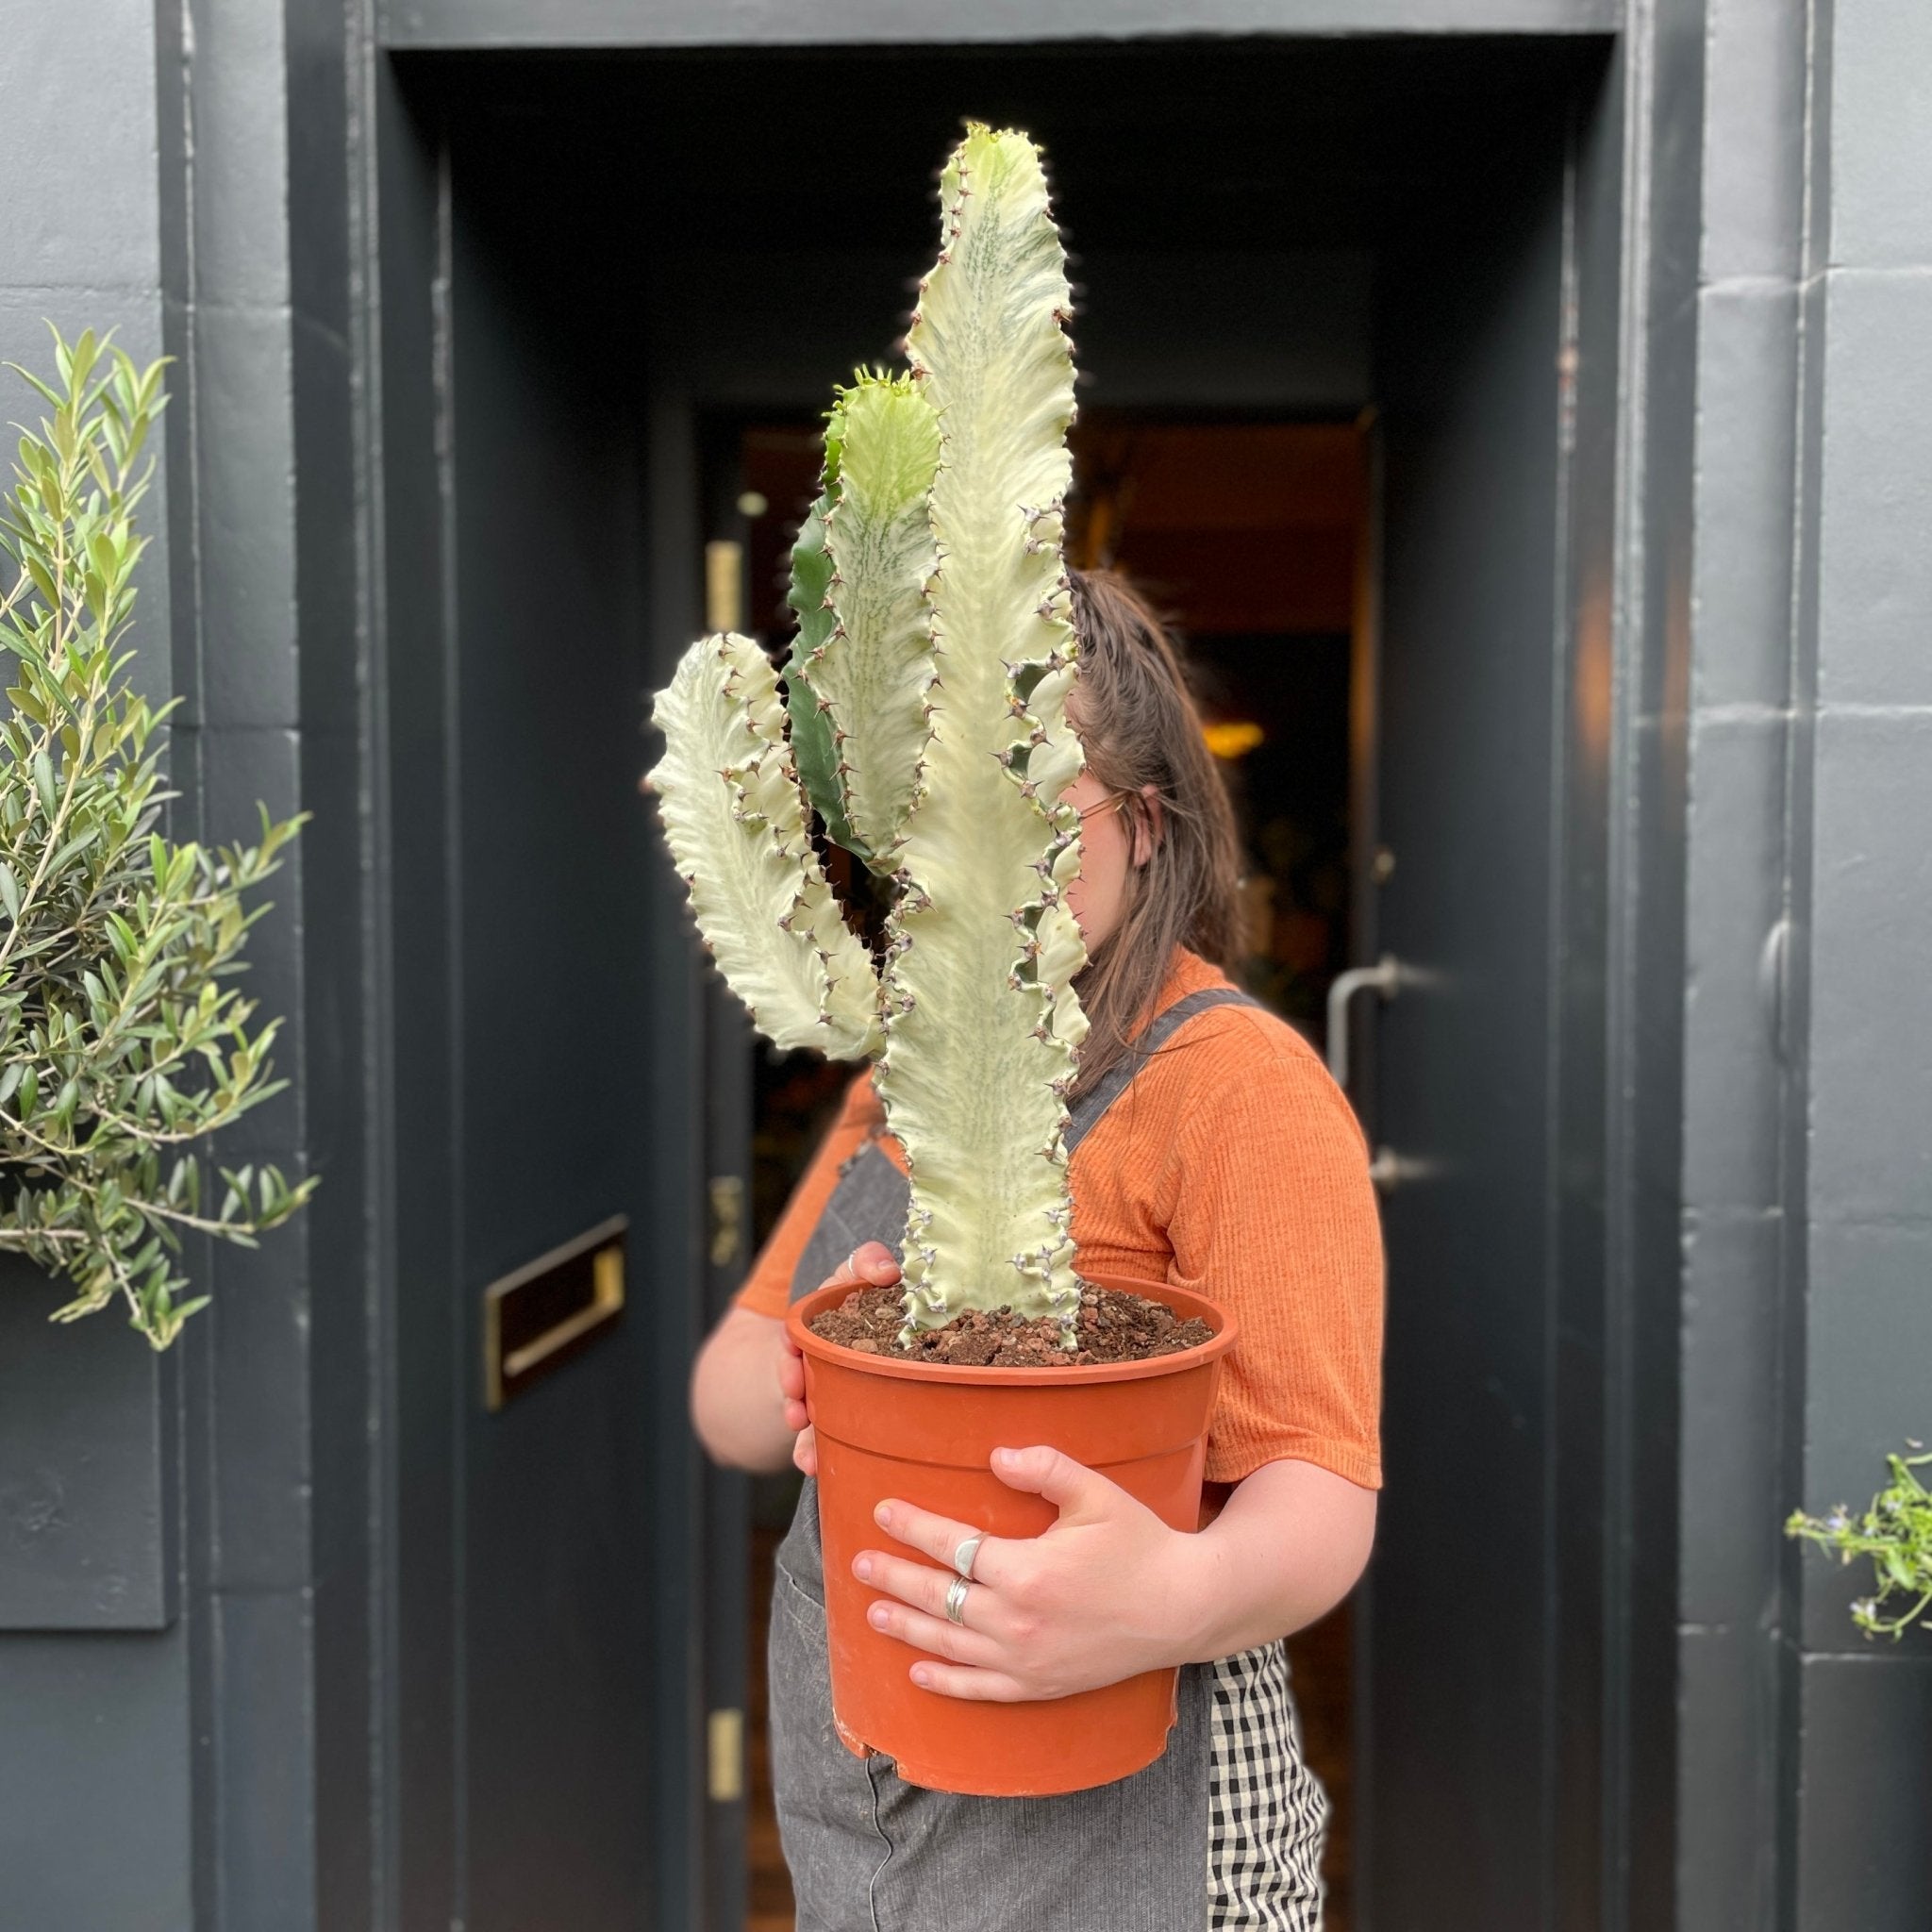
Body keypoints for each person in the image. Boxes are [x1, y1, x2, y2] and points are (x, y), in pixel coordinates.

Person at [691, 569, 1384, 1931]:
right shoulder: (899, 1082)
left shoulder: (1236, 1086)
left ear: (1145, 824)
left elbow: (1319, 1496)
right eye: (942, 811)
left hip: (1142, 1816)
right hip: (878, 1799)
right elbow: (728, 1404)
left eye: (1039, 806)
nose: (989, 857)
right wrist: (824, 1362)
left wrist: (1166, 1596)